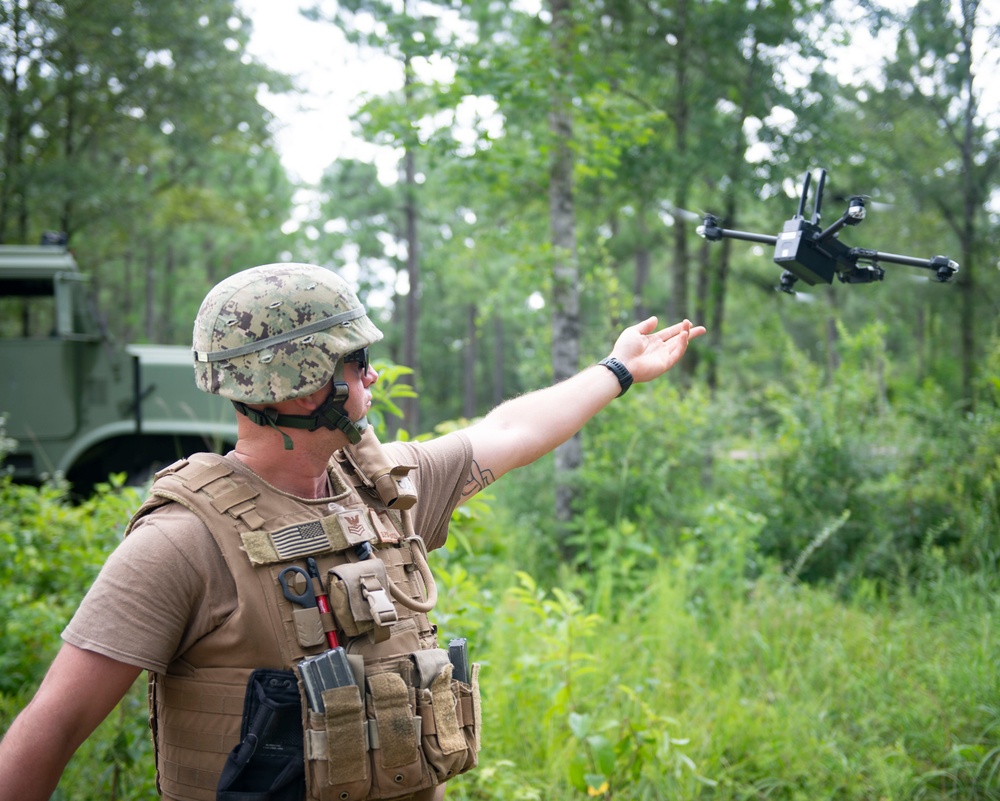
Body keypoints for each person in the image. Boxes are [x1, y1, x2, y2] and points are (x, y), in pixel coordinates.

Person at [0, 263, 705, 801]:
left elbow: (509, 430)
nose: (370, 370)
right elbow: (53, 725)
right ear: (305, 384)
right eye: (353, 359)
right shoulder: (182, 541)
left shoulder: (384, 490)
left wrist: (619, 369)